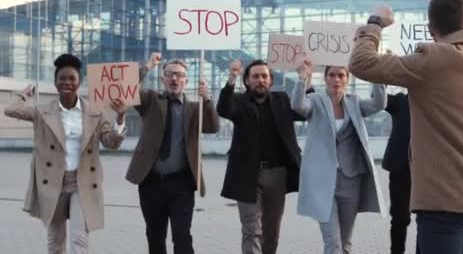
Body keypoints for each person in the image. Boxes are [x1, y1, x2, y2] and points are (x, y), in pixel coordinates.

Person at [348, 0, 463, 254]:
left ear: (431, 29)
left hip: (442, 200)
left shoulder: (430, 60)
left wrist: (375, 23)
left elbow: (361, 63)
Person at [4, 53, 127, 254]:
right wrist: (23, 94)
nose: (67, 82)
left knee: (79, 241)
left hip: (83, 182)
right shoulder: (42, 111)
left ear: (79, 82)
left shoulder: (94, 112)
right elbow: (11, 109)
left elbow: (111, 143)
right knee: (55, 241)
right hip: (53, 182)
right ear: (55, 82)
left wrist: (120, 118)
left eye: (72, 78)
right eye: (62, 78)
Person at [124, 53, 220, 254]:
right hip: (151, 182)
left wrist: (207, 99)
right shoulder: (151, 100)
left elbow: (212, 126)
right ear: (163, 79)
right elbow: (127, 87)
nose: (174, 78)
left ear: (186, 80)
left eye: (179, 75)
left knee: (182, 236)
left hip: (182, 185)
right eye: (169, 74)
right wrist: (148, 65)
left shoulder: (195, 109)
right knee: (155, 236)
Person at [291, 60, 387, 254]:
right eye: (332, 74)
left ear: (347, 79)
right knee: (333, 241)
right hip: (322, 181)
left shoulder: (354, 102)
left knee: (345, 242)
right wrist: (302, 80)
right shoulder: (316, 101)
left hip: (351, 180)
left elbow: (379, 103)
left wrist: (377, 75)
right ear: (325, 78)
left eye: (341, 75)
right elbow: (298, 105)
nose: (336, 79)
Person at [217, 59, 305, 254]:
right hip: (246, 175)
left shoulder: (282, 99)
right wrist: (231, 78)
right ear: (247, 81)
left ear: (270, 80)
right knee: (251, 230)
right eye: (255, 76)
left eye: (264, 76)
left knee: (271, 231)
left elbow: (304, 111)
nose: (260, 80)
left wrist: (306, 81)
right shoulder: (238, 102)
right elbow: (223, 108)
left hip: (277, 174)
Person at [382, 50, 415, 254]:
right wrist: (385, 67)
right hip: (400, 167)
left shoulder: (434, 102)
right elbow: (379, 98)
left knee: (428, 218)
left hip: (428, 167)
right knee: (400, 218)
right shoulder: (399, 101)